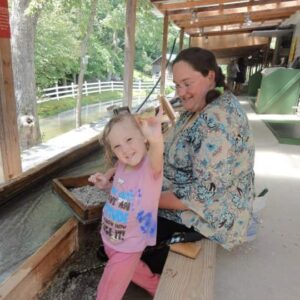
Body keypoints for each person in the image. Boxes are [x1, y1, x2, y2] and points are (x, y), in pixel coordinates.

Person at [141, 47, 255, 274]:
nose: (181, 92)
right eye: (177, 85)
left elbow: (200, 195)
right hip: (182, 195)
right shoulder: (200, 106)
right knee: (123, 227)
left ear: (210, 76)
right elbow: (166, 150)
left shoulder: (218, 120)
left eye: (187, 83)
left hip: (209, 217)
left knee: (128, 236)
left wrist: (145, 198)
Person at [89, 108, 164, 300]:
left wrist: (156, 140)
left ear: (143, 137)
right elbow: (121, 193)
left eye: (129, 140)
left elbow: (156, 156)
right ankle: (156, 285)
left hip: (129, 243)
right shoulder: (122, 165)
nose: (125, 150)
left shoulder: (150, 168)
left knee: (108, 290)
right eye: (117, 146)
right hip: (110, 237)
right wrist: (106, 185)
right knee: (134, 270)